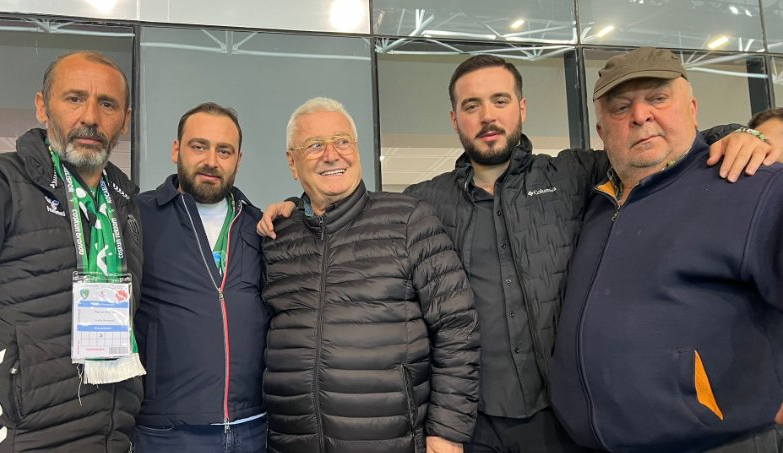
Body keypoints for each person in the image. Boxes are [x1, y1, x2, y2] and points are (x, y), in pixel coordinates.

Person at [258, 55, 779, 453]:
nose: (488, 116)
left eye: (500, 101)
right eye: (472, 106)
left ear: (522, 109)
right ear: (455, 119)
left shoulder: (574, 174)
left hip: (564, 421)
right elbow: (357, 211)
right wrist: (298, 206)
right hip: (476, 423)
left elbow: (652, 148)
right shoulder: (423, 201)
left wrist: (737, 134)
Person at [550, 46, 783, 452]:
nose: (640, 115)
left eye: (657, 98)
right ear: (602, 131)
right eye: (621, 107)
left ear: (692, 109)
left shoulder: (751, 184)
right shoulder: (596, 204)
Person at [0, 51, 144, 452]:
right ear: (43, 106)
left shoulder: (125, 208)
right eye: (74, 98)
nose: (90, 117)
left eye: (107, 104)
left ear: (125, 119)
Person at [261, 97, 479, 453]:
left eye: (342, 141)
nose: (332, 155)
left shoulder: (409, 220)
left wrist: (448, 432)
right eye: (314, 145)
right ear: (292, 162)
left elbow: (457, 328)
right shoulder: (276, 238)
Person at [133, 102, 269, 452]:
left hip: (252, 428)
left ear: (238, 160)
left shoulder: (260, 226)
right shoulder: (137, 217)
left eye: (224, 151)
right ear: (176, 150)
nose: (211, 160)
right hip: (167, 431)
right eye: (199, 146)